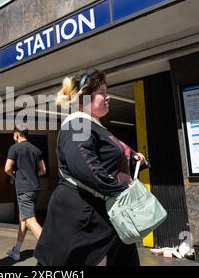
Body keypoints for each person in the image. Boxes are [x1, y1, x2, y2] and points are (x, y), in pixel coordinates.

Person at [33, 69, 148, 266]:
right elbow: (85, 167)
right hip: (83, 219)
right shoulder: (78, 124)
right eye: (102, 92)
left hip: (104, 215)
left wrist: (132, 160)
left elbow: (100, 160)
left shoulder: (94, 126)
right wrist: (125, 192)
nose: (107, 96)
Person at [4, 125, 46, 261]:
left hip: (24, 189)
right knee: (24, 219)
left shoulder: (14, 148)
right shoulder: (36, 149)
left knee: (30, 220)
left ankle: (51, 248)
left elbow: (7, 168)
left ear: (17, 135)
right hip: (35, 189)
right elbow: (43, 170)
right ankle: (16, 251)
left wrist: (15, 176)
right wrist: (32, 175)